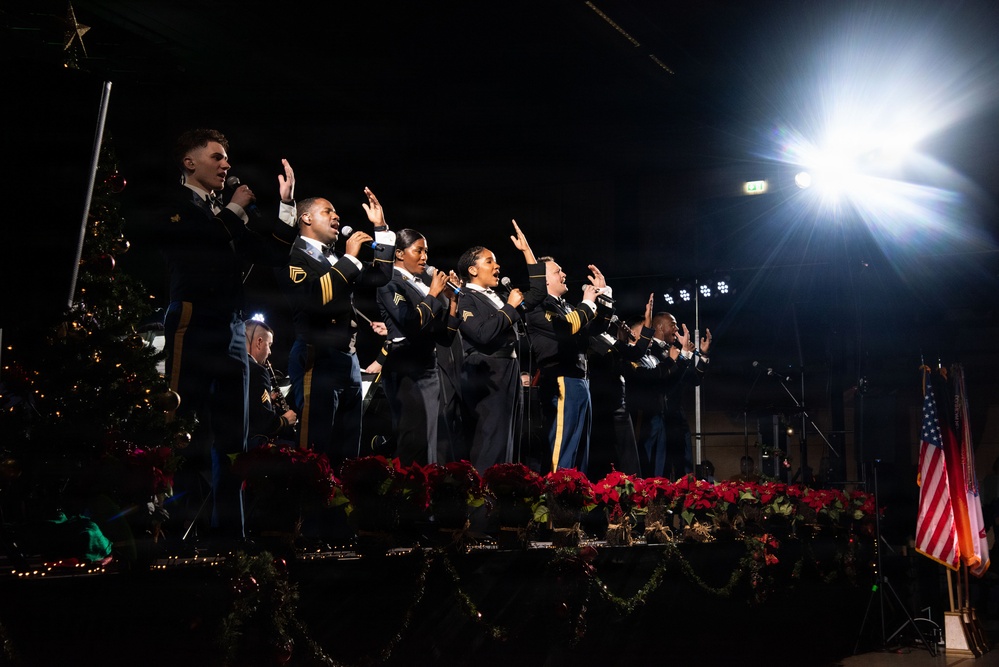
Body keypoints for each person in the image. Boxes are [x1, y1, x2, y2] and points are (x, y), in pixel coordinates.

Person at [160, 128, 298, 543]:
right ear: (189, 162)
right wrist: (235, 213)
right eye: (217, 157)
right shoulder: (177, 204)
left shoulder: (229, 211)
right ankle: (160, 527)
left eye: (227, 158)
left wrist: (287, 205)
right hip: (194, 321)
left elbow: (276, 251)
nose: (226, 165)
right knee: (178, 424)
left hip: (234, 329)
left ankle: (229, 537)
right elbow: (202, 249)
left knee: (233, 438)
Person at [276, 188, 395, 469]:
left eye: (335, 211)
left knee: (348, 446)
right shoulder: (292, 255)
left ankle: (341, 506)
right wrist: (350, 259)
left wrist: (381, 227)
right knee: (316, 447)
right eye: (327, 211)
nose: (336, 216)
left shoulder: (337, 257)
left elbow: (381, 275)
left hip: (348, 358)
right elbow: (315, 297)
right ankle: (309, 509)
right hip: (316, 355)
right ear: (305, 217)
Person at [455, 221, 547, 473]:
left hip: (510, 368)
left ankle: (503, 496)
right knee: (490, 439)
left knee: (510, 438)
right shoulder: (464, 297)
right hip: (487, 372)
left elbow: (538, 293)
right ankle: (481, 503)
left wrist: (526, 250)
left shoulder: (496, 296)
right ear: (472, 270)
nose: (497, 267)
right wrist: (509, 307)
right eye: (489, 262)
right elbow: (482, 334)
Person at [375, 229, 460, 465]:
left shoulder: (420, 286)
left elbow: (445, 337)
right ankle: (406, 495)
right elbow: (411, 323)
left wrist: (452, 300)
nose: (424, 257)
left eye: (426, 252)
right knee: (413, 439)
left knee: (432, 439)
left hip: (428, 366)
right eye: (418, 250)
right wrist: (433, 293)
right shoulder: (390, 282)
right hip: (405, 367)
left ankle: (425, 491)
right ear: (400, 253)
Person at [524, 258, 614, 474]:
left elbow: (596, 328)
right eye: (557, 271)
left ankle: (575, 497)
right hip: (561, 379)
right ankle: (554, 500)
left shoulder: (567, 307)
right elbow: (565, 328)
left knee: (580, 448)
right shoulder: (538, 307)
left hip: (581, 380)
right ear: (544, 281)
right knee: (562, 449)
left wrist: (604, 296)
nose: (564, 274)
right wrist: (587, 303)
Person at [587, 294, 656, 479]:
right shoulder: (590, 335)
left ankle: (632, 495)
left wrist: (647, 322)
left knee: (629, 459)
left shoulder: (607, 338)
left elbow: (635, 352)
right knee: (605, 458)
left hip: (619, 403)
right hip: (601, 405)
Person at [651, 311, 712, 478]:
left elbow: (693, 380)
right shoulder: (651, 349)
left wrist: (703, 356)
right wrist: (684, 356)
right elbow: (666, 379)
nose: (676, 329)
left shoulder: (675, 351)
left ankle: (685, 499)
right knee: (660, 466)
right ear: (660, 327)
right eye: (673, 324)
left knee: (684, 466)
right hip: (661, 415)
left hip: (678, 416)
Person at [244, 319, 297, 448]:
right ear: (259, 342)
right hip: (250, 446)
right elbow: (265, 424)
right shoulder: (258, 371)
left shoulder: (230, 364)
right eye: (269, 345)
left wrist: (268, 403)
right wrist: (285, 420)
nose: (270, 352)